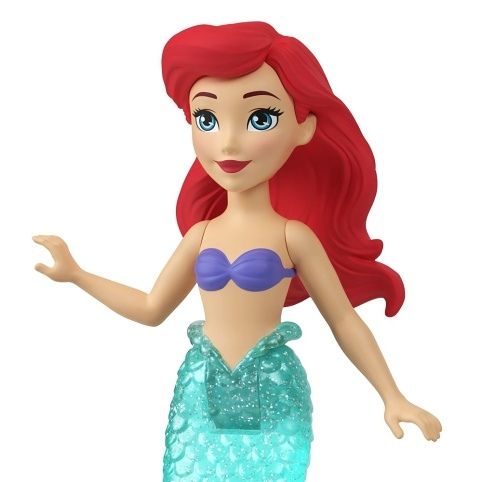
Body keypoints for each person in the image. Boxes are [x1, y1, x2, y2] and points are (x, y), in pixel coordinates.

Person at [33, 21, 442, 482]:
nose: (227, 142)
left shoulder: (293, 237)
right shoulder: (201, 235)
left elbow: (343, 319)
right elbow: (150, 308)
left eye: (260, 117)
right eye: (207, 119)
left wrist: (392, 395)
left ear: (303, 127)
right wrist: (77, 274)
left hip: (273, 389)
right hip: (201, 386)